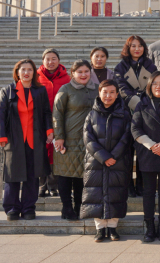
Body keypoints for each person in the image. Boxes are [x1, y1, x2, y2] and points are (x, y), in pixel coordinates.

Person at [0, 59, 53, 221]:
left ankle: (28, 207)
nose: (26, 72)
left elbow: (46, 112)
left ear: (34, 72)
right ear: (17, 72)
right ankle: (12, 208)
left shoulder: (40, 90)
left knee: (32, 176)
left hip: (35, 139)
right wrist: (1, 135)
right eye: (23, 69)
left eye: (30, 69)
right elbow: (0, 114)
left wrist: (49, 130)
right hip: (13, 139)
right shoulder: (7, 90)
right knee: (12, 174)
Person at [81, 80, 132, 242]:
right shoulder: (92, 114)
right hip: (95, 162)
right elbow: (88, 138)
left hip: (118, 161)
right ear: (99, 93)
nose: (108, 96)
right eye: (105, 92)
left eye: (112, 92)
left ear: (117, 94)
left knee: (116, 193)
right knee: (95, 194)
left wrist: (113, 156)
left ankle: (112, 228)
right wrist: (103, 157)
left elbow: (126, 137)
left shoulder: (125, 114)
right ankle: (100, 229)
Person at [131, 71, 160, 243]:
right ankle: (150, 228)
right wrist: (152, 146)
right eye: (155, 83)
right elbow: (135, 128)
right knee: (148, 193)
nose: (158, 86)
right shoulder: (141, 104)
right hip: (148, 153)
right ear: (149, 86)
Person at [52, 60, 98, 221]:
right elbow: (57, 114)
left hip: (89, 139)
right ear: (73, 73)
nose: (83, 75)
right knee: (65, 174)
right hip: (69, 139)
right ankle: (66, 207)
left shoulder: (97, 89)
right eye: (80, 72)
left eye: (86, 71)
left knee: (81, 174)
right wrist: (59, 137)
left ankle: (79, 206)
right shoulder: (65, 89)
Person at [114, 35, 157, 197]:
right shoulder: (121, 66)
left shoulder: (150, 65)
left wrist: (143, 104)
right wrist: (137, 102)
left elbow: (153, 86)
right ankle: (128, 186)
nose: (137, 49)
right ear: (128, 48)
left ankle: (141, 185)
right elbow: (121, 88)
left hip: (146, 113)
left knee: (143, 152)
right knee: (126, 153)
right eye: (133, 46)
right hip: (126, 113)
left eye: (140, 46)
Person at [37, 48, 69, 198]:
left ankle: (53, 185)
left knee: (56, 153)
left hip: (60, 121)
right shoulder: (36, 77)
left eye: (53, 59)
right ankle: (41, 185)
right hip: (40, 121)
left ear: (59, 61)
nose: (50, 62)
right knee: (41, 153)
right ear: (43, 61)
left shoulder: (67, 78)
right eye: (47, 59)